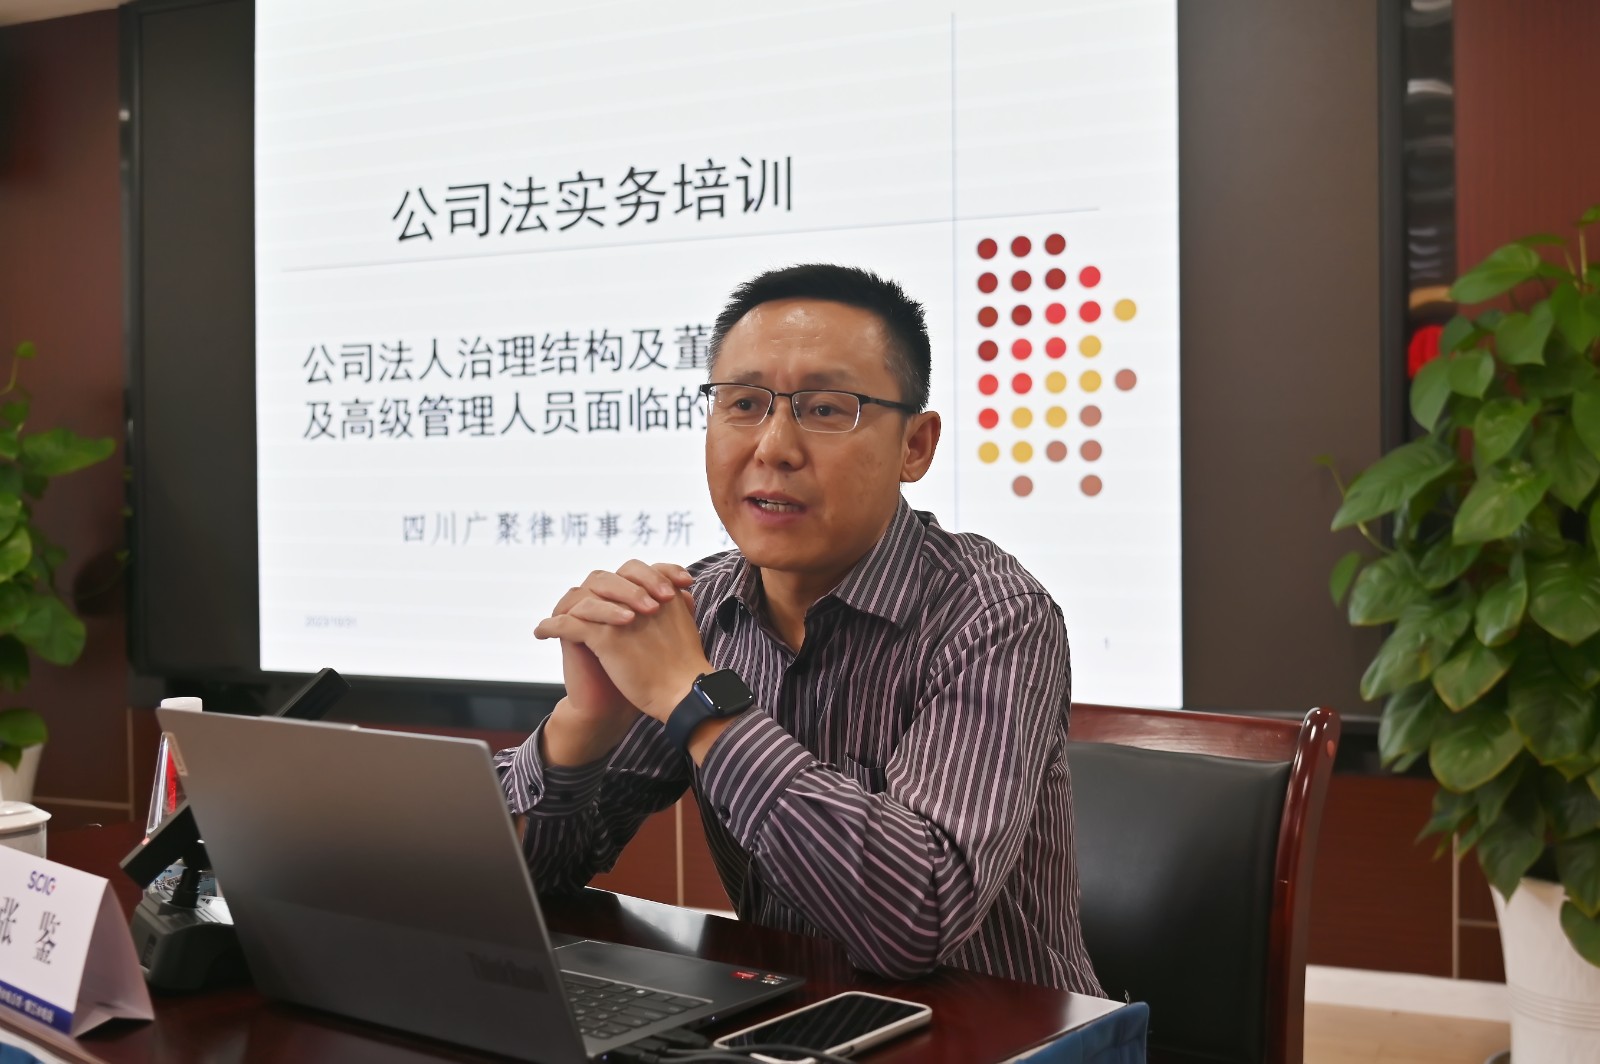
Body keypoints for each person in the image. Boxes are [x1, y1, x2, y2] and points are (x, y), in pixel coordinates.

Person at [497, 264, 1102, 994]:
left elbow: (918, 920)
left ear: (915, 445)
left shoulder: (994, 615)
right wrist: (581, 727)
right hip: (788, 1018)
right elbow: (524, 880)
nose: (774, 447)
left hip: (997, 1029)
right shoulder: (702, 608)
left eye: (825, 409)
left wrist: (698, 700)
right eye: (744, 403)